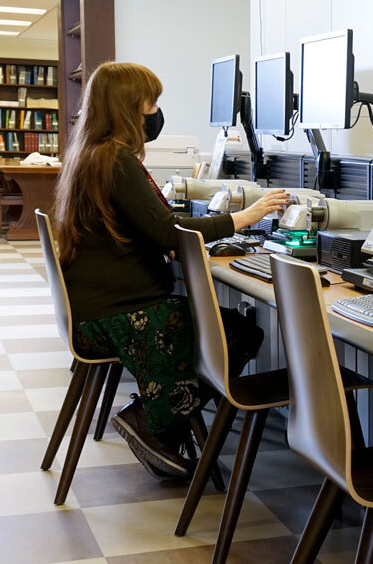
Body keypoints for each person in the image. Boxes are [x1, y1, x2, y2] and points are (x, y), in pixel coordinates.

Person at [52, 61, 288, 479]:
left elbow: (154, 229)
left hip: (98, 306)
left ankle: (159, 416)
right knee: (237, 331)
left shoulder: (92, 154)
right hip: (118, 312)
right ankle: (153, 420)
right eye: (151, 101)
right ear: (128, 106)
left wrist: (169, 237)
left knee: (220, 325)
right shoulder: (116, 160)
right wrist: (245, 217)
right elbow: (170, 231)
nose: (155, 111)